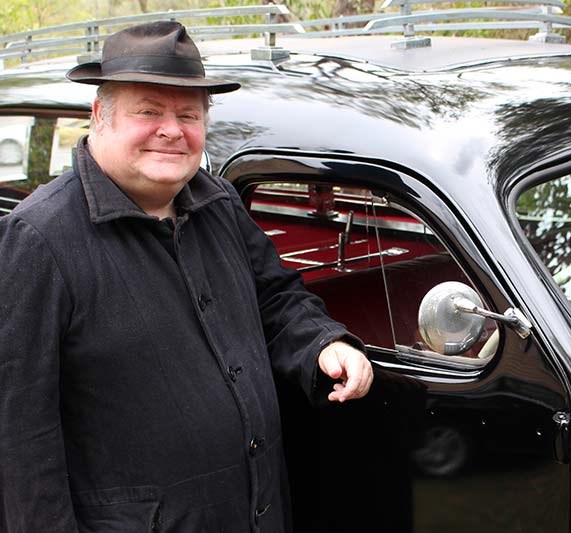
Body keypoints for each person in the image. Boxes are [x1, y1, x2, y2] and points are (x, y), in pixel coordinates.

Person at [0, 21, 373, 532]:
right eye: (149, 112)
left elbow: (276, 297)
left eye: (188, 114)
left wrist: (323, 343)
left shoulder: (217, 204)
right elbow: (20, 436)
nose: (172, 130)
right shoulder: (37, 240)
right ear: (99, 117)